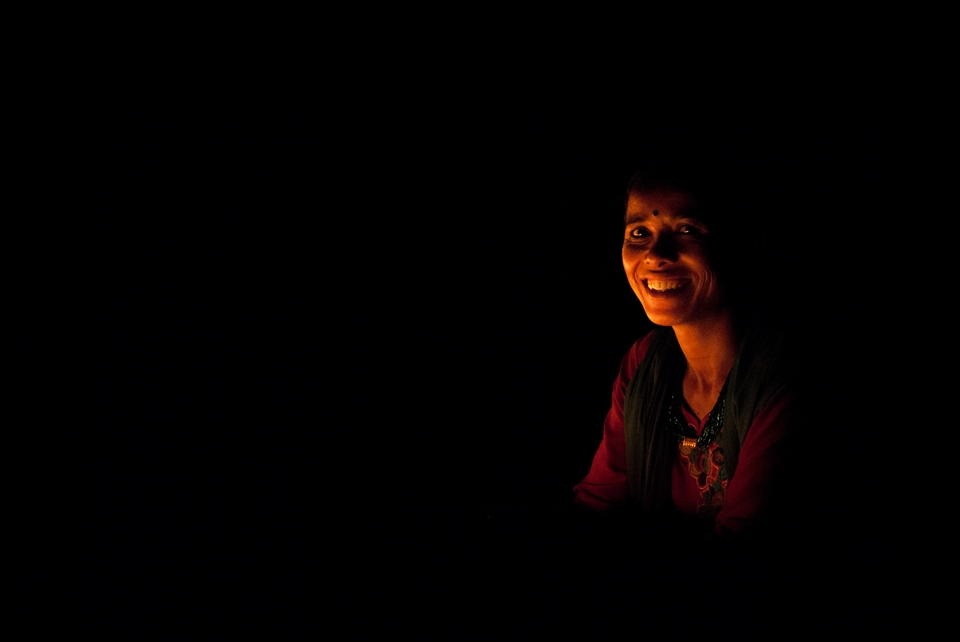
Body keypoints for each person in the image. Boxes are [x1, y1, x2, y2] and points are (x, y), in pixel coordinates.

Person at [573, 166, 801, 539]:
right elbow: (598, 503)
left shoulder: (782, 374)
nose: (656, 255)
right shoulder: (644, 362)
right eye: (639, 233)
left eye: (687, 230)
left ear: (746, 246)